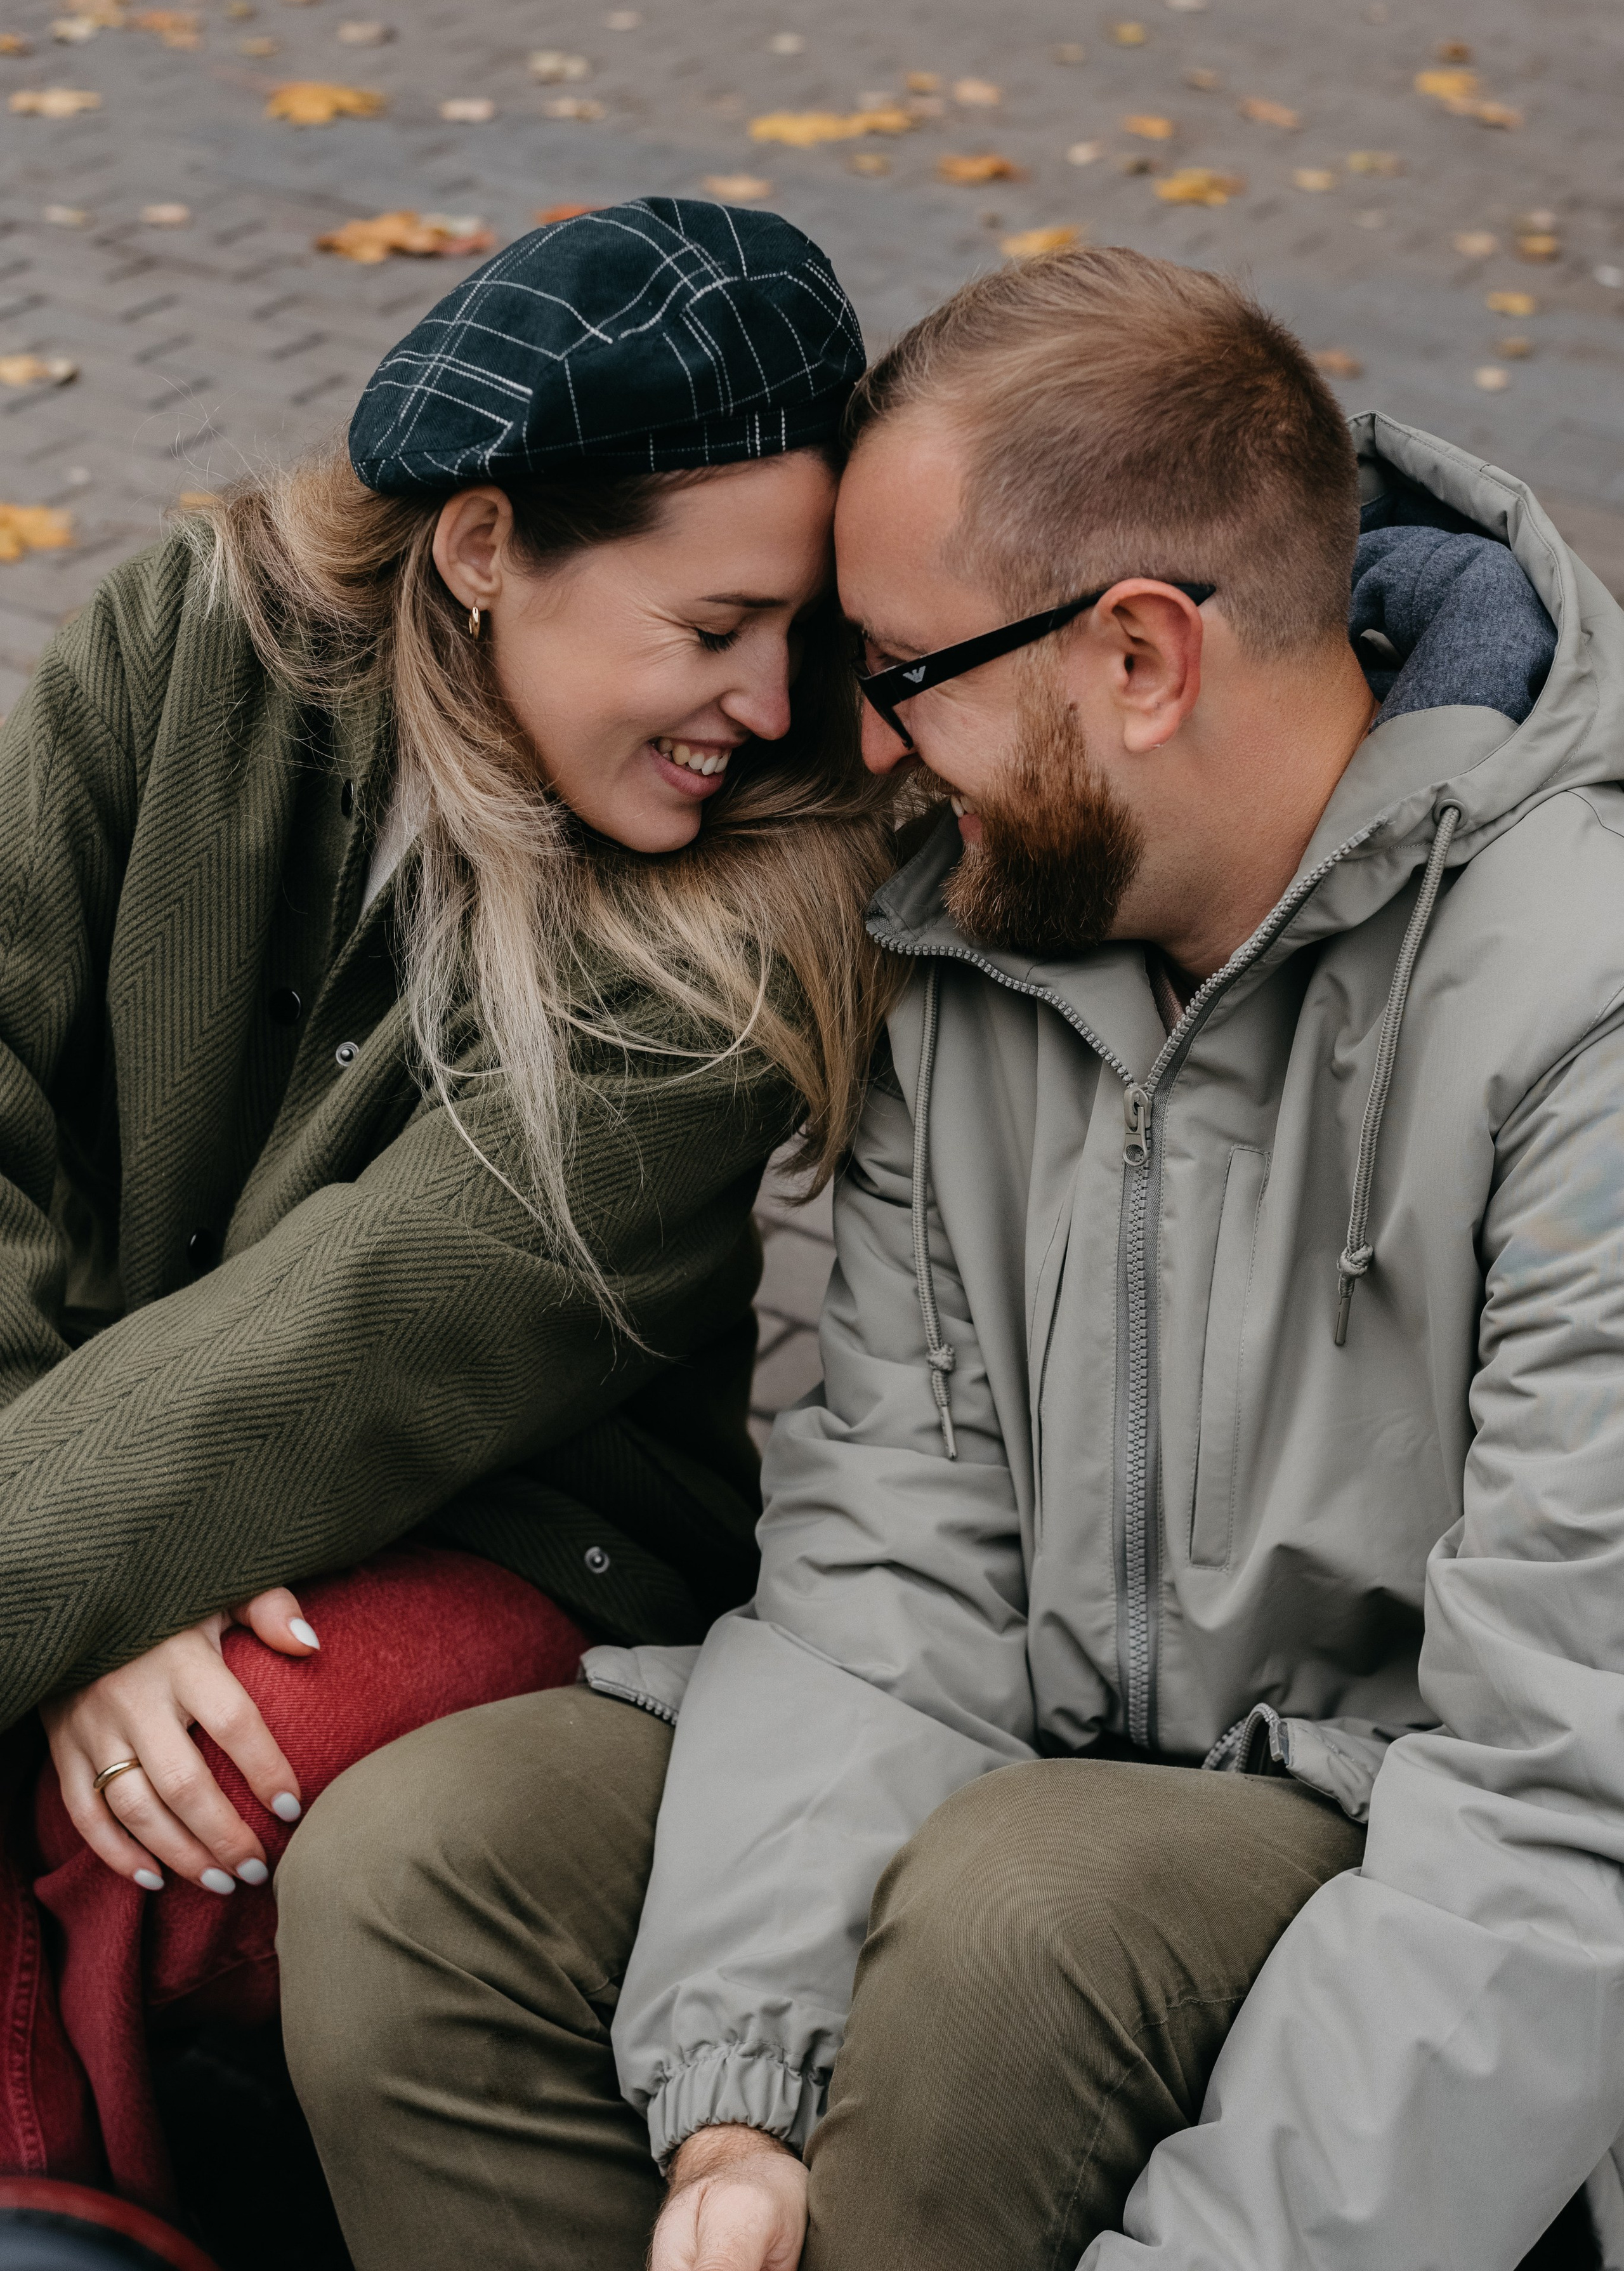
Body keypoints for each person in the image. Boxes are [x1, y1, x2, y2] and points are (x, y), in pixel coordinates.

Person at [278, 243, 1624, 2271]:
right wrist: (740, 2089)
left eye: (900, 675)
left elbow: (1565, 1817)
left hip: (1393, 1863)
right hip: (1014, 1758)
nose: (861, 749)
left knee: (1017, 1914)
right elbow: (896, 1539)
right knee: (420, 1864)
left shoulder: (1577, 1008)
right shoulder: (983, 933)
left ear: (1143, 658)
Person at [0, 196, 901, 2228]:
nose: (768, 704)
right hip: (82, 1470)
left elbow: (376, 1337)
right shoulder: (190, 640)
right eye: (711, 626)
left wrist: (61, 1587)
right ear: (484, 547)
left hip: (506, 1547)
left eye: (803, 631)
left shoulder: (759, 910)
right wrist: (70, 1592)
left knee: (179, 1802)